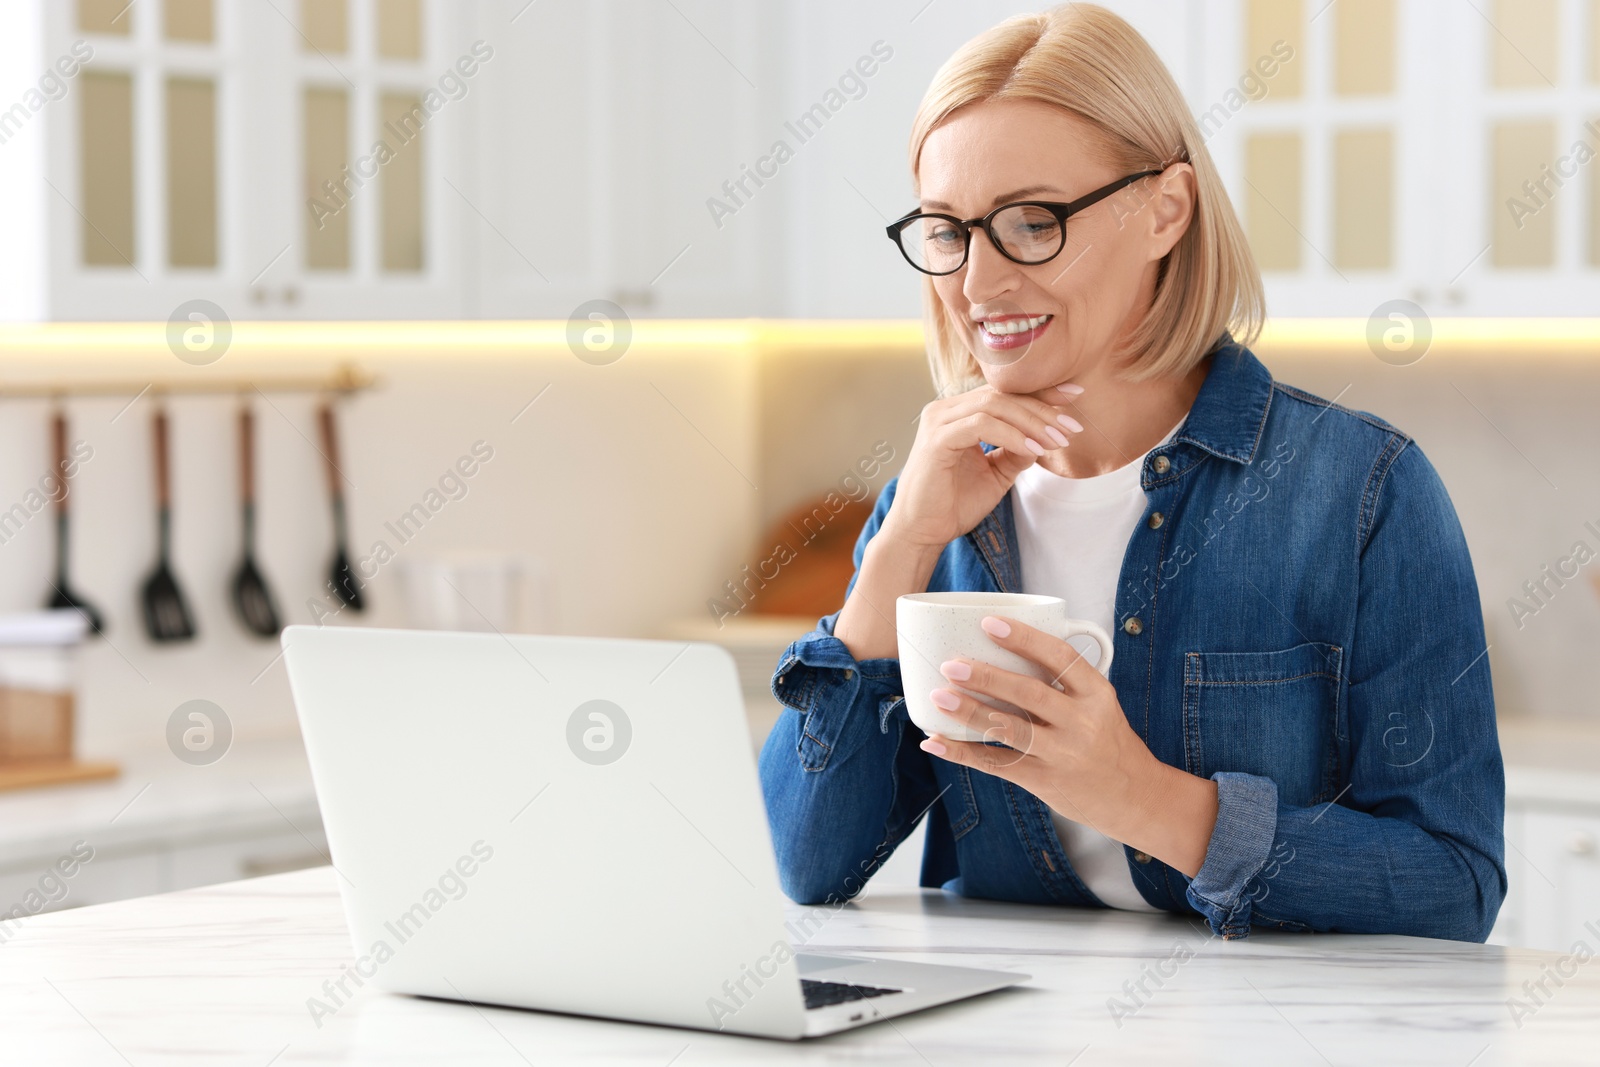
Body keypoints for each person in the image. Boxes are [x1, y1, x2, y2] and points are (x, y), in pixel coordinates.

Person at [757, 3, 1505, 941]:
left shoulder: (1362, 492)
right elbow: (806, 862)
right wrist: (901, 543)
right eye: (948, 230)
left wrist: (1144, 798)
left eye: (1033, 222)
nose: (979, 286)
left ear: (1166, 210)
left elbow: (1455, 883)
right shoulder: (933, 506)